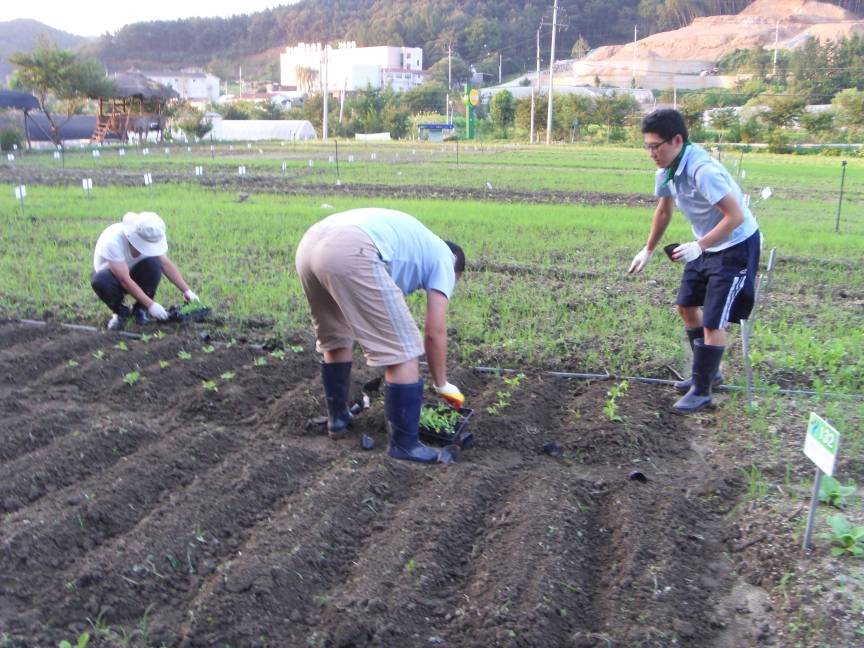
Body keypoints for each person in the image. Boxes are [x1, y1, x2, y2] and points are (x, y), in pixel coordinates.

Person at [295, 208, 465, 463]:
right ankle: (405, 445)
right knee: (404, 348)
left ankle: (338, 419)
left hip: (310, 245)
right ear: (456, 264)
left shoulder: (416, 245)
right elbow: (434, 331)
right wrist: (442, 384)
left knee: (336, 336)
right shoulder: (445, 258)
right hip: (351, 248)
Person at [628, 109, 760, 413]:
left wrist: (699, 246)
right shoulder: (667, 170)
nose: (651, 154)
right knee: (686, 306)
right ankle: (708, 373)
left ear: (677, 140)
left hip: (735, 245)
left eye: (655, 146)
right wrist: (647, 249)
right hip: (706, 244)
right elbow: (664, 210)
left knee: (714, 318)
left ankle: (702, 391)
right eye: (647, 147)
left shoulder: (703, 171)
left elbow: (735, 215)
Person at [91, 211, 199, 331]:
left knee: (154, 265)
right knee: (101, 281)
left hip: (137, 273)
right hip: (113, 278)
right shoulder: (113, 241)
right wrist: (151, 305)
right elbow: (124, 280)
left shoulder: (150, 235)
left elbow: (165, 264)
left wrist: (187, 291)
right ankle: (120, 311)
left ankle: (140, 309)